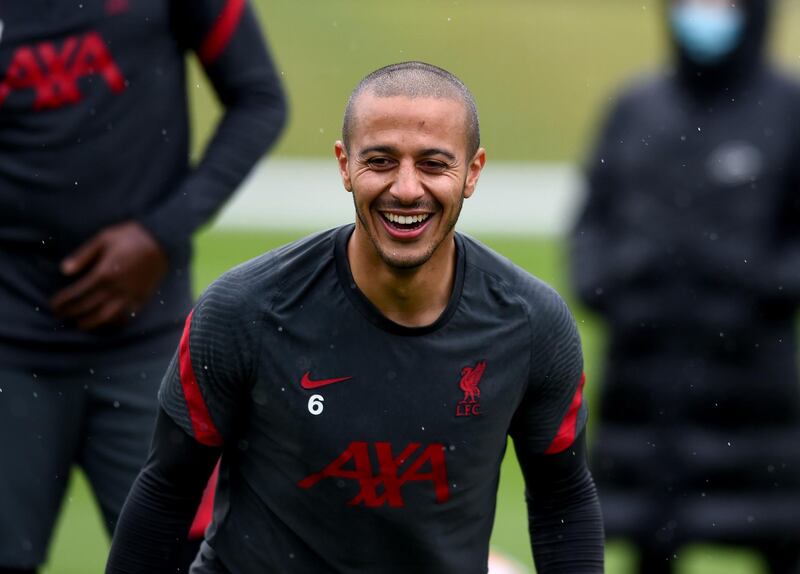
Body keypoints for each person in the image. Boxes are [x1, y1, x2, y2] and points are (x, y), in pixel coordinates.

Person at [105, 61, 604, 574]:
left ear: (472, 172)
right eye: (381, 161)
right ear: (344, 165)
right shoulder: (244, 310)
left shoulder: (532, 325)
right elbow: (166, 492)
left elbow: (562, 502)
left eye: (434, 164)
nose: (407, 189)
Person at [0, 0, 286, 572]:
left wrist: (161, 233)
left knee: (195, 559)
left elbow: (259, 100)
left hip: (150, 345)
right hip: (7, 346)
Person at [571, 0, 800, 572]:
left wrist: (756, 285)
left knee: (778, 537)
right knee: (650, 543)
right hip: (643, 389)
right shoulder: (635, 108)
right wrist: (607, 285)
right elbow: (590, 220)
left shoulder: (787, 109)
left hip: (754, 389)